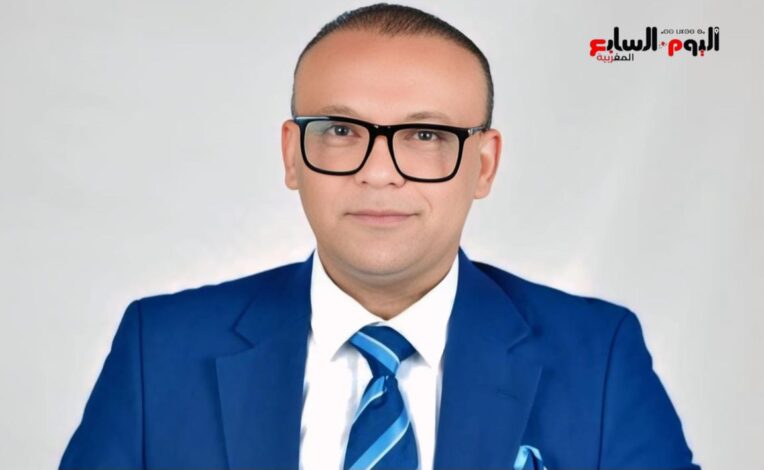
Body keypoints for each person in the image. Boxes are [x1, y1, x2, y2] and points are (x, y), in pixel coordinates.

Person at [59, 3, 699, 469]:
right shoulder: (159, 348)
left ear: (484, 165)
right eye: (341, 131)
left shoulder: (599, 357)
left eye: (425, 135)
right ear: (292, 154)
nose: (379, 172)